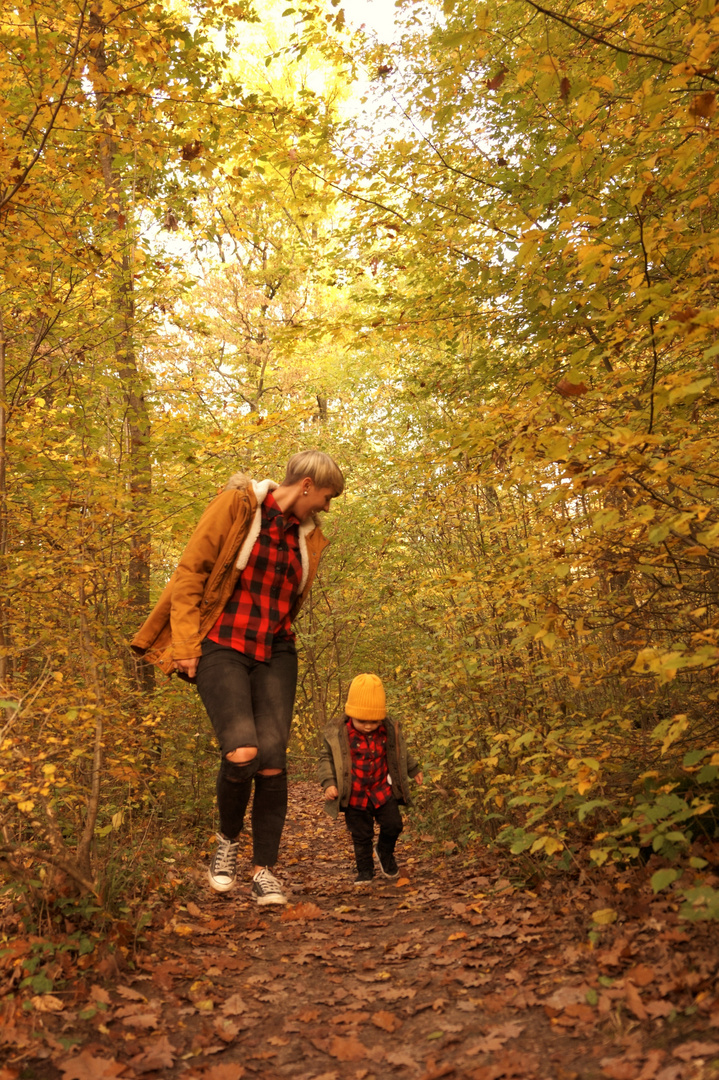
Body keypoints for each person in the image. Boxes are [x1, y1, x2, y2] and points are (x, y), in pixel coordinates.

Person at [132, 450, 344, 905]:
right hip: (222, 645)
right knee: (242, 750)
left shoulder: (307, 538)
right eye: (325, 497)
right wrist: (186, 643)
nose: (326, 507)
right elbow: (191, 572)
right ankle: (227, 843)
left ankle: (264, 870)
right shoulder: (240, 506)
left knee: (272, 759)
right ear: (306, 485)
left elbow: (290, 598)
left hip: (276, 652)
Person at [318, 673, 422, 884]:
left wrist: (414, 769)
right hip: (355, 794)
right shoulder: (340, 734)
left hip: (382, 790)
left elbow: (400, 753)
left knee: (394, 825)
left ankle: (384, 852)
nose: (368, 726)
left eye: (373, 721)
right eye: (362, 721)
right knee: (361, 835)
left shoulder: (387, 731)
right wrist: (329, 783)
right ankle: (365, 870)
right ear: (351, 715)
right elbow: (326, 759)